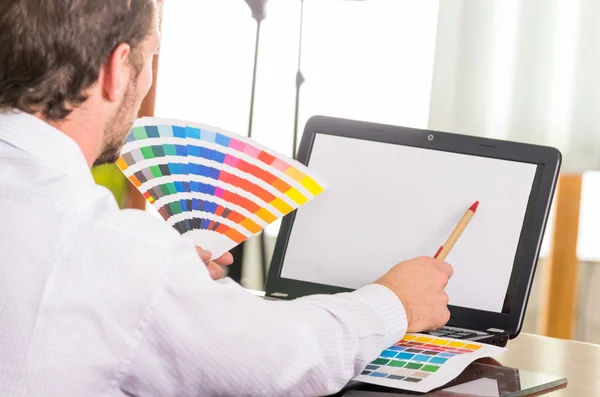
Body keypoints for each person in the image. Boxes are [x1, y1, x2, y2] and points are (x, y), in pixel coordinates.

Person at [0, 1, 453, 396]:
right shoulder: (115, 251)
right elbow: (283, 362)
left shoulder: (118, 255)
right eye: (152, 54)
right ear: (117, 70)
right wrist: (395, 302)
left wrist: (172, 288)